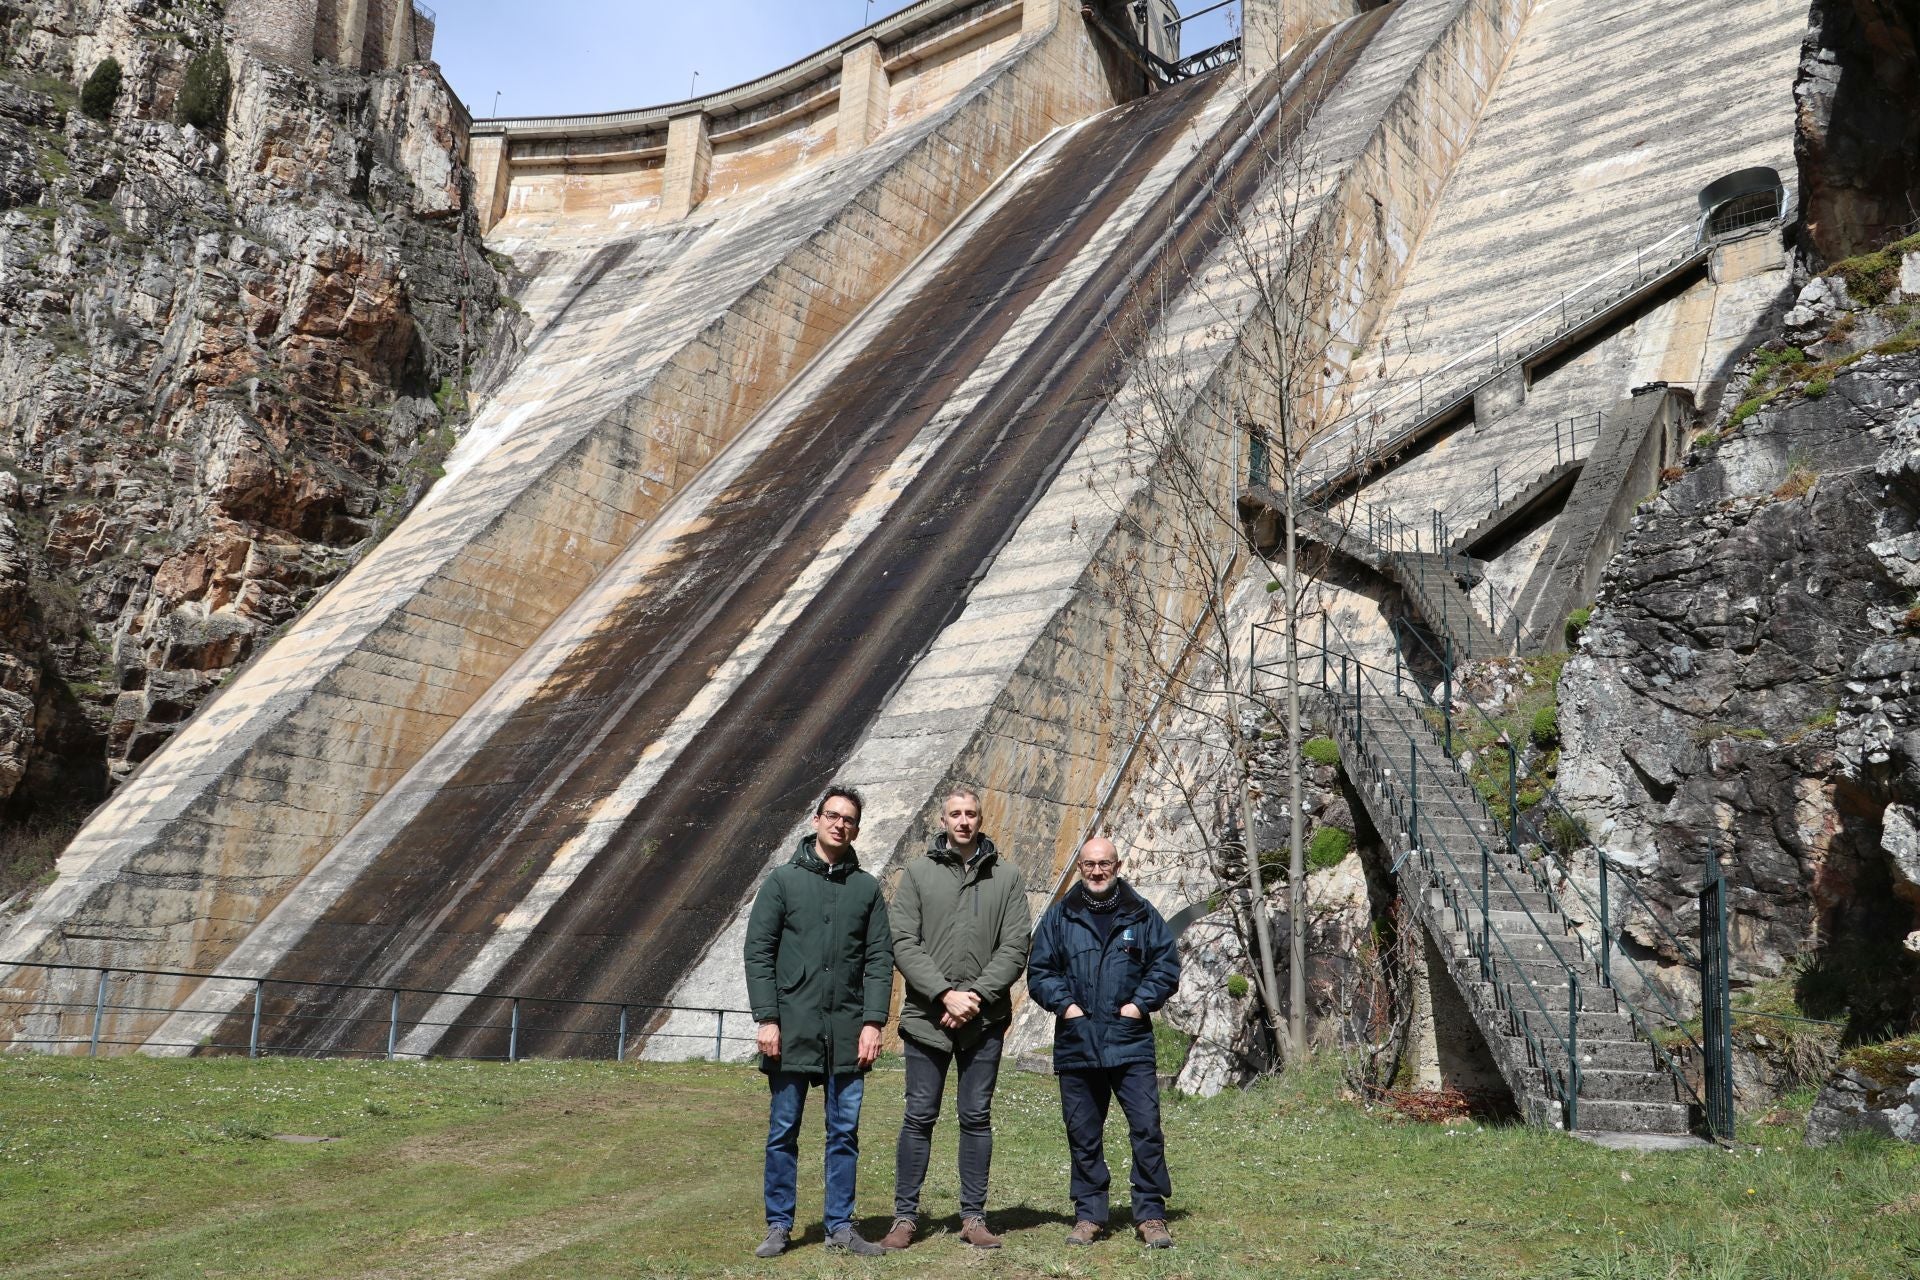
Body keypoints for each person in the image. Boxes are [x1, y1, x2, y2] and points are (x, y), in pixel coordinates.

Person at [741, 785, 894, 1258]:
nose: (839, 824)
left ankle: (840, 1227)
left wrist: (873, 1023)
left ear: (856, 828)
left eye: (848, 819)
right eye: (832, 815)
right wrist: (767, 1018)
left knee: (844, 1134)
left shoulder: (867, 889)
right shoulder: (782, 882)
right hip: (791, 1030)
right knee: (784, 1130)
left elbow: (879, 960)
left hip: (847, 1032)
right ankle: (779, 1225)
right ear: (816, 819)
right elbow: (758, 953)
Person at [881, 786, 1032, 1251]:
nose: (963, 821)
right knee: (918, 1116)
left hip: (983, 1023)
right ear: (942, 820)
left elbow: (1016, 945)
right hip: (927, 1020)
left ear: (981, 820)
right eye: (955, 814)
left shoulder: (1006, 877)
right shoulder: (919, 874)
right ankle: (905, 1219)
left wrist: (976, 997)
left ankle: (974, 1217)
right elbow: (903, 940)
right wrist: (945, 995)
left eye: (970, 814)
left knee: (976, 1117)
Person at [1026, 836, 1181, 1249]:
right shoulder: (1060, 917)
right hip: (1078, 1043)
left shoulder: (1142, 914)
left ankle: (1150, 1214)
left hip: (1130, 1043)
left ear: (1118, 865)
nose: (1097, 872)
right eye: (1090, 865)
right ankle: (1089, 1214)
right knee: (1083, 1133)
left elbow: (1165, 968)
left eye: (1105, 865)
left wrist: (1139, 1005)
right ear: (1079, 866)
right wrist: (1067, 1007)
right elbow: (1040, 972)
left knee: (1146, 1129)